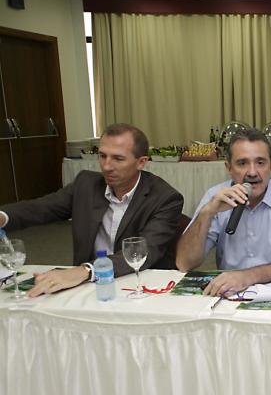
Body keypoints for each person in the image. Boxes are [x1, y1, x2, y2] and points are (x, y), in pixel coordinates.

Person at [0, 123, 184, 297]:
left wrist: (87, 270)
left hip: (137, 284)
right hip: (87, 284)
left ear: (141, 162)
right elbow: (42, 207)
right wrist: (3, 216)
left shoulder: (164, 198)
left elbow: (145, 250)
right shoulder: (86, 184)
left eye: (118, 158)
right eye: (102, 156)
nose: (107, 166)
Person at [176, 129, 271, 296]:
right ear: (228, 168)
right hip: (230, 292)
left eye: (260, 163)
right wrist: (207, 213)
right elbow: (184, 263)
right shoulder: (215, 196)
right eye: (242, 163)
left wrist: (248, 276)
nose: (252, 172)